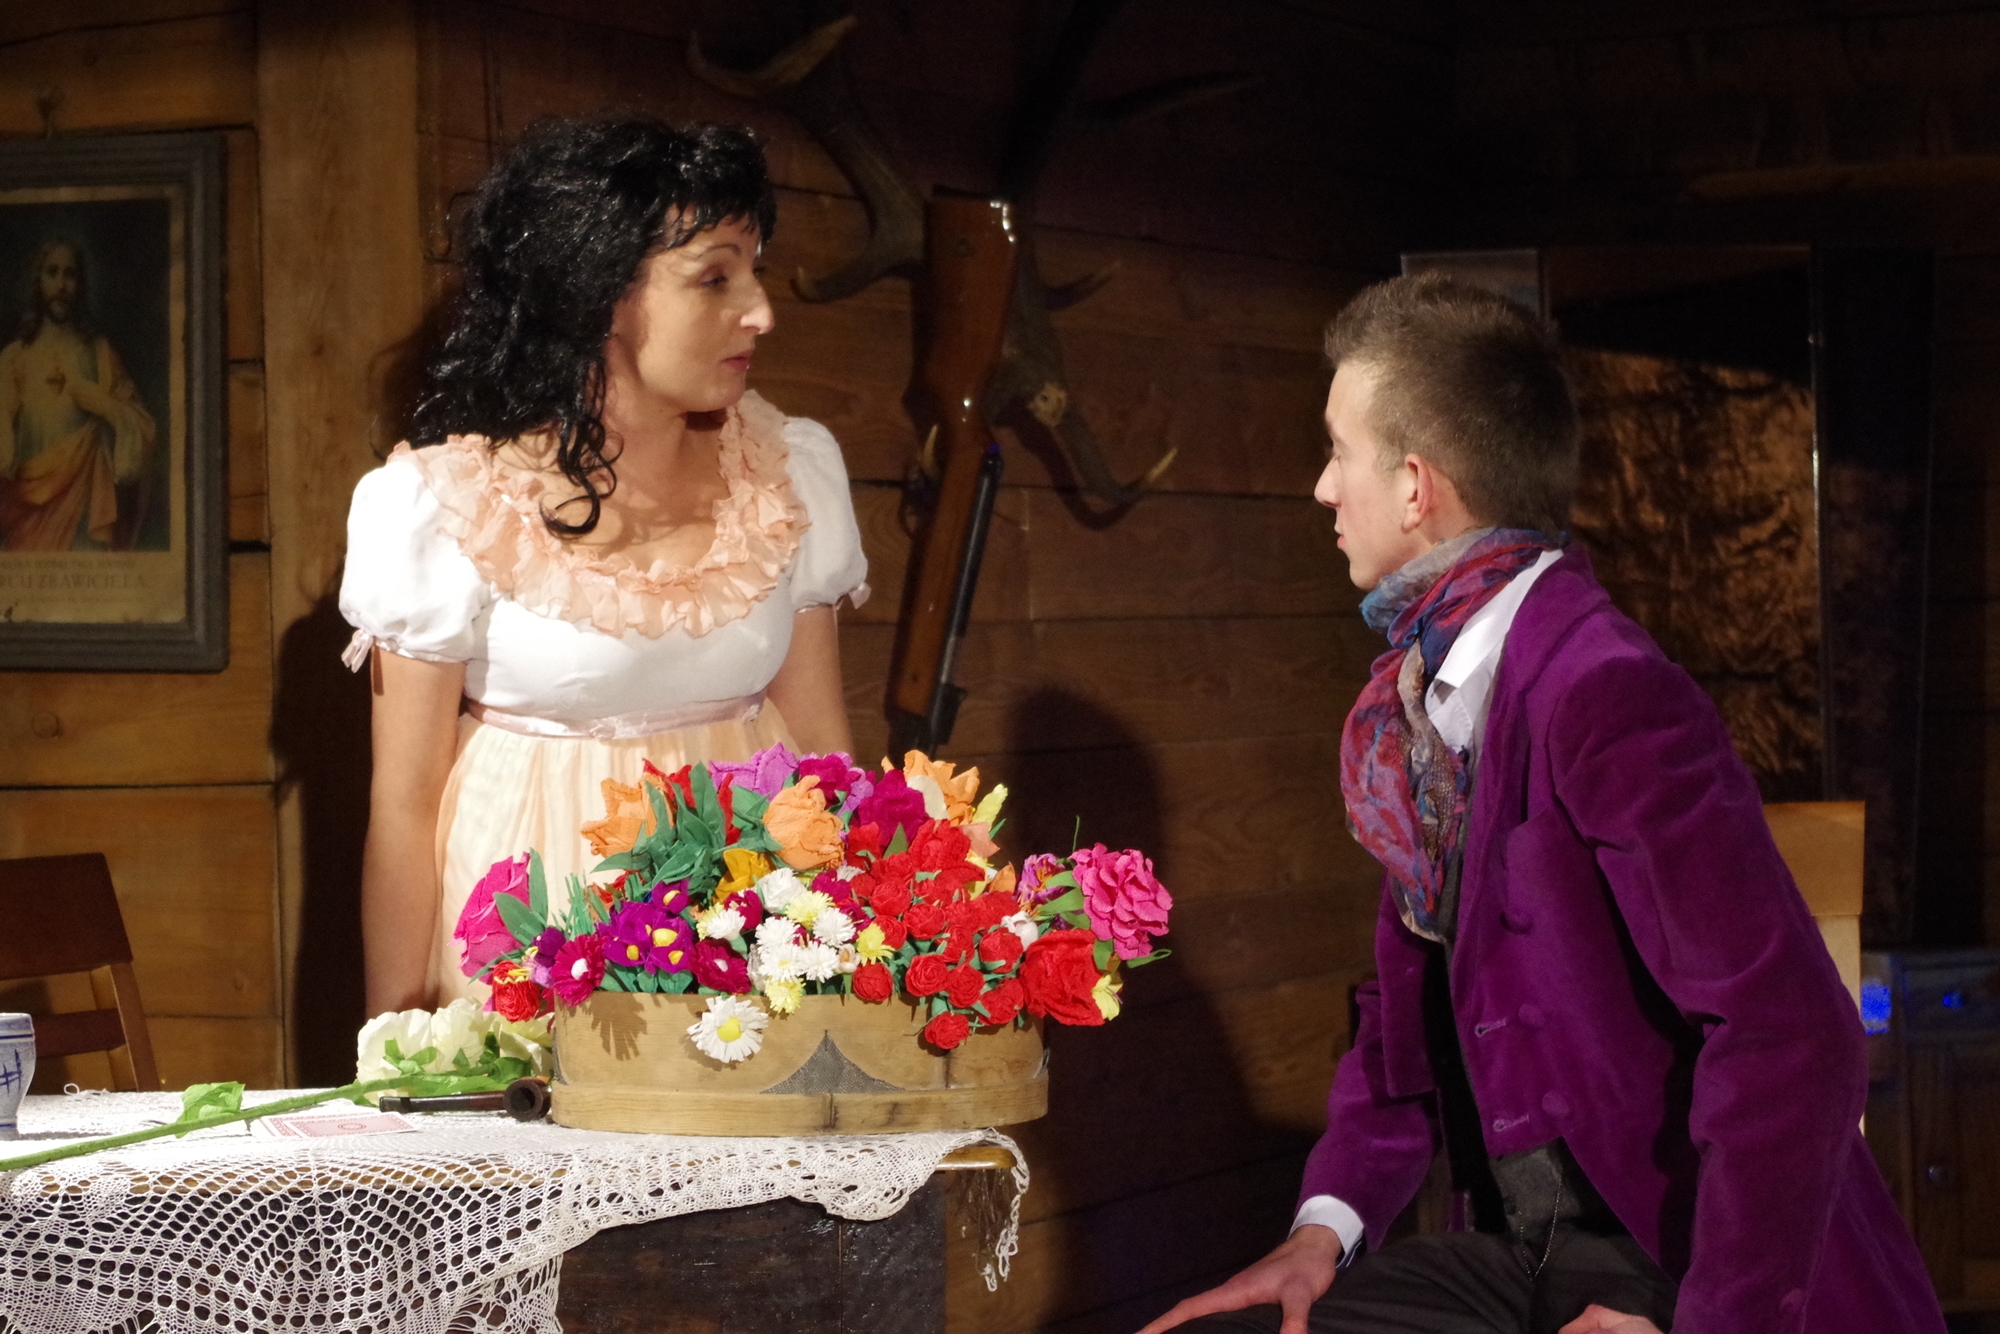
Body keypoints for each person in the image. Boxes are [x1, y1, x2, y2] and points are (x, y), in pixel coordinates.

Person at [1140, 275, 1943, 1334]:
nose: (1322, 488)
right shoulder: (1422, 711)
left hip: (1676, 1263)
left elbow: (1793, 1035)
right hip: (1530, 1256)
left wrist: (1701, 1320)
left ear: (1415, 486)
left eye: (1338, 451)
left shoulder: (1604, 689)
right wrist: (1319, 1232)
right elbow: (1400, 1033)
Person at [339, 119, 867, 1015]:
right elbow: (404, 807)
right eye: (715, 277)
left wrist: (862, 963)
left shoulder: (789, 471)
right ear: (596, 291)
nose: (761, 311)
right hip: (537, 951)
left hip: (754, 931)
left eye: (756, 270)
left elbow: (824, 750)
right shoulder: (443, 506)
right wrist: (393, 1045)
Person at [0, 238, 158, 551]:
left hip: (85, 512)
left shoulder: (100, 354)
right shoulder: (14, 358)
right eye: (52, 272)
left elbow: (144, 430)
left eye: (69, 274)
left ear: (80, 284)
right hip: (26, 514)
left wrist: (108, 408)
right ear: (39, 281)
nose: (61, 285)